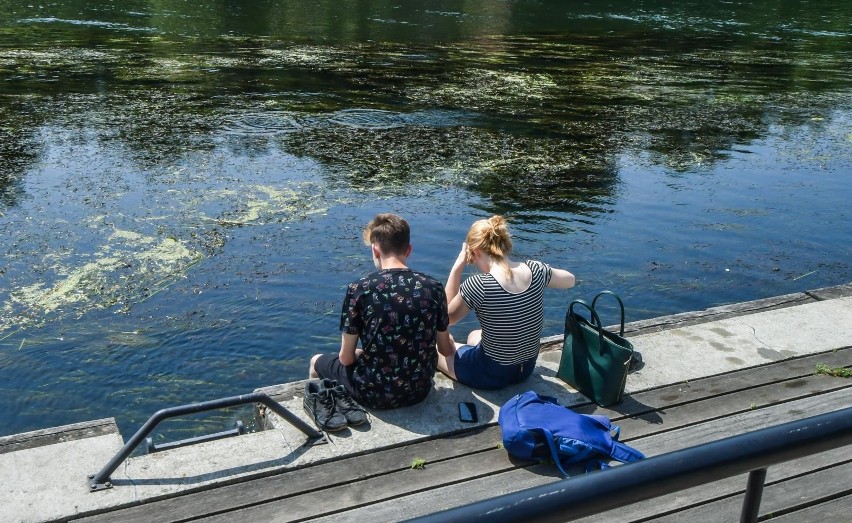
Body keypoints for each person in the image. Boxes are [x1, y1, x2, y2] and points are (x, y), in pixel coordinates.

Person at [309, 213, 456, 414]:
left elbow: (345, 359)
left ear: (375, 250)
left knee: (316, 361)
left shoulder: (360, 289)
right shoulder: (434, 287)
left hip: (373, 394)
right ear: (409, 250)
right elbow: (446, 350)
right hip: (419, 391)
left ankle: (322, 410)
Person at [438, 215, 576, 389]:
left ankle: (469, 362)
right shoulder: (536, 270)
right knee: (474, 335)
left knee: (438, 349)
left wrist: (458, 265)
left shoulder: (479, 285)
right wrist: (544, 272)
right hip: (525, 370)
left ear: (475, 252)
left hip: (490, 375)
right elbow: (570, 280)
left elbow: (445, 319)